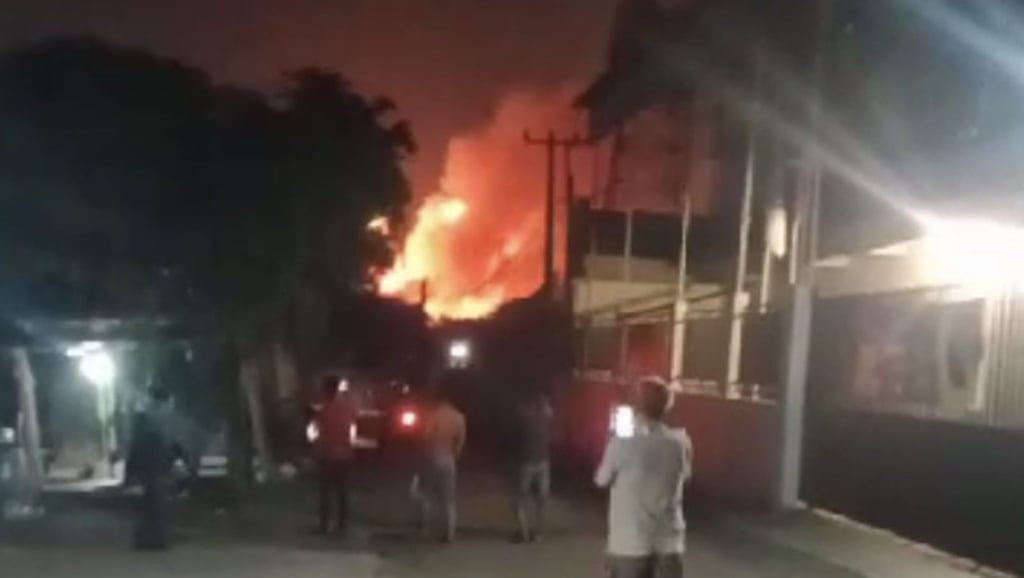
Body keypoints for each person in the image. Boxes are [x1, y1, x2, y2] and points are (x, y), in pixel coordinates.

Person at [595, 378, 693, 578]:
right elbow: (686, 476)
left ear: (636, 406)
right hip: (669, 538)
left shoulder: (622, 444)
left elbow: (601, 480)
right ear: (667, 407)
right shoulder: (679, 443)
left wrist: (610, 440)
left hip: (630, 541)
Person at [126, 386, 179, 550]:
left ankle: (148, 539)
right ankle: (154, 539)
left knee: (151, 504)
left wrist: (131, 472)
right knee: (156, 504)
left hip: (150, 466)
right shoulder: (157, 419)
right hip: (155, 465)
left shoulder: (144, 417)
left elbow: (135, 446)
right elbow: (170, 444)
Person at [416, 385, 466, 543]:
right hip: (448, 459)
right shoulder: (459, 417)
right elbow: (461, 441)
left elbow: (425, 437)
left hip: (432, 457)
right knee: (449, 499)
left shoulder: (434, 415)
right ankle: (450, 533)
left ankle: (426, 530)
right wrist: (454, 453)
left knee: (427, 495)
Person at [312, 375, 357, 535]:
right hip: (344, 455)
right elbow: (350, 429)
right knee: (341, 492)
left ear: (325, 390)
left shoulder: (325, 409)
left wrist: (317, 449)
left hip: (328, 455)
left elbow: (320, 434)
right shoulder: (345, 408)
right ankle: (341, 525)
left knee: (326, 492)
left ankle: (324, 524)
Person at [513, 390, 553, 543]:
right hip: (543, 462)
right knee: (542, 501)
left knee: (520, 501)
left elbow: (519, 412)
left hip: (527, 463)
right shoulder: (545, 417)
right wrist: (543, 402)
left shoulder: (525, 418)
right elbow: (549, 410)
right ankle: (539, 533)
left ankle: (523, 533)